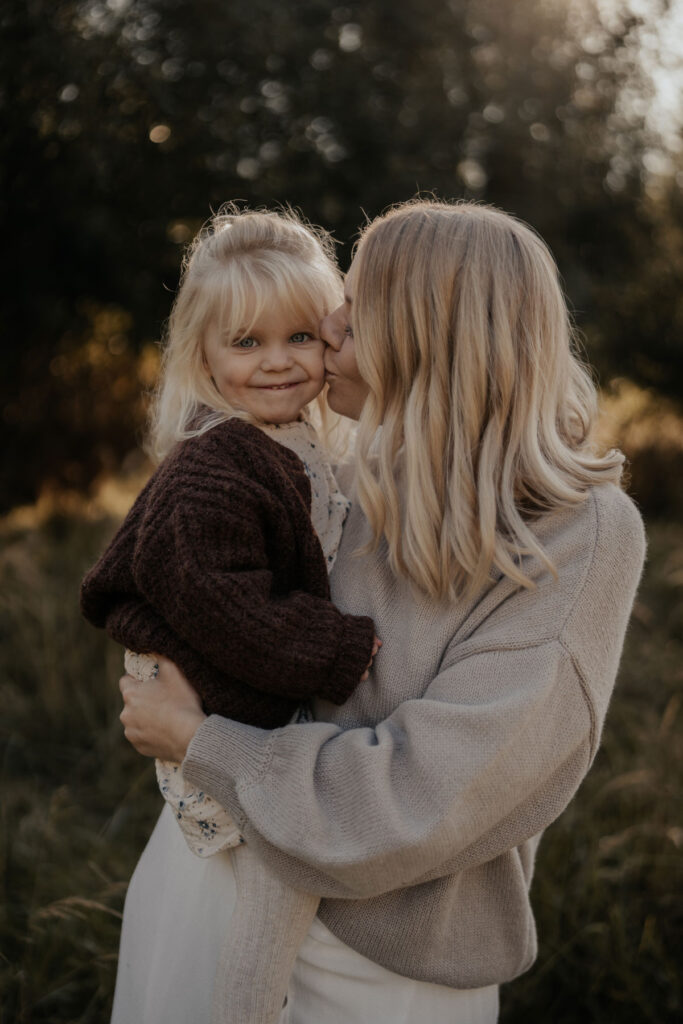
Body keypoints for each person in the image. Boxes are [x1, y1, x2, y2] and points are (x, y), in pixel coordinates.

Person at [116, 199, 646, 1024]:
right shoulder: (340, 469)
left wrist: (198, 741)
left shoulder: (578, 533)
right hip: (207, 885)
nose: (326, 323)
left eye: (354, 307)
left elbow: (423, 796)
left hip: (381, 955)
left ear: (426, 333)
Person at [80, 206, 380, 1024]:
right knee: (231, 930)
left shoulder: (296, 444)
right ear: (205, 358)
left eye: (300, 337)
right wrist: (343, 649)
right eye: (246, 344)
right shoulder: (216, 462)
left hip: (247, 725)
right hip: (216, 729)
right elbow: (225, 604)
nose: (277, 363)